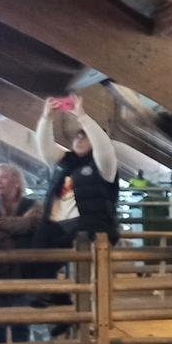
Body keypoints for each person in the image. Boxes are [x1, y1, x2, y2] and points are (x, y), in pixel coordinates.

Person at [33, 98, 120, 249]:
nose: (79, 140)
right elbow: (44, 147)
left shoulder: (104, 165)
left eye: (85, 136)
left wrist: (82, 117)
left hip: (92, 228)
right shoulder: (64, 160)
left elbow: (104, 147)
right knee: (35, 256)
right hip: (55, 226)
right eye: (77, 136)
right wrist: (46, 118)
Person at [0, 163, 44, 344]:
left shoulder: (32, 205)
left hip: (23, 268)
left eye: (3, 177)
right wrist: (15, 228)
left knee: (21, 317)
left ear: (16, 181)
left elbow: (29, 224)